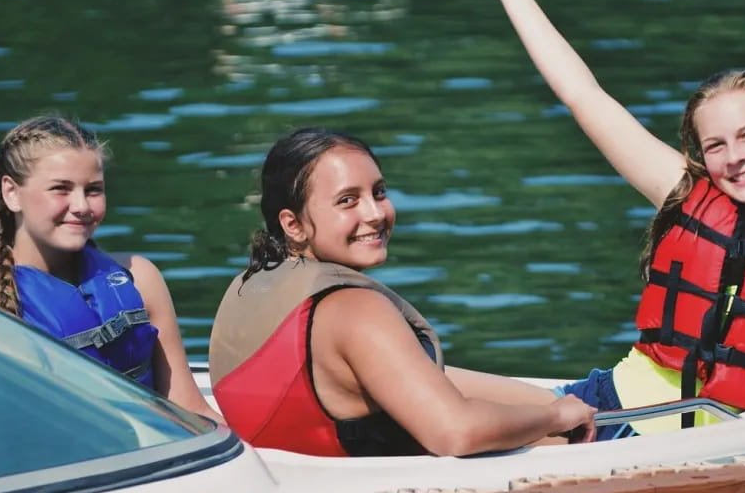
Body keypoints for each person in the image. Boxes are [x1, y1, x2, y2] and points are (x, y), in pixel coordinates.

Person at [424, 0, 745, 432]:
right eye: (716, 145)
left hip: (689, 443)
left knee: (446, 425)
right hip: (601, 408)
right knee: (415, 379)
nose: (735, 156)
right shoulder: (683, 194)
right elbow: (583, 95)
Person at [209, 127, 597, 456]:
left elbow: (387, 371)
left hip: (293, 481)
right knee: (590, 430)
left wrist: (545, 400)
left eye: (378, 192)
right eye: (348, 201)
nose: (375, 214)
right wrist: (554, 417)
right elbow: (454, 432)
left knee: (578, 403)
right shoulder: (353, 309)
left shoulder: (253, 284)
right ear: (293, 224)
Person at [0, 115, 224, 424]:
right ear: (12, 193)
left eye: (93, 189)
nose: (81, 206)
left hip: (157, 459)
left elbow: (191, 410)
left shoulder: (139, 277)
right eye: (60, 189)